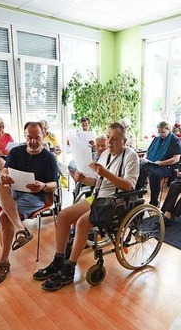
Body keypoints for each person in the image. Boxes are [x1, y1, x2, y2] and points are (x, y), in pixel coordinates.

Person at [34, 122, 139, 292]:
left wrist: (104, 173)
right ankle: (59, 259)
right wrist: (83, 179)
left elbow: (128, 185)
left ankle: (70, 268)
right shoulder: (105, 154)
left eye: (115, 139)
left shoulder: (131, 156)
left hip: (114, 201)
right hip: (97, 196)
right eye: (108, 138)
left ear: (124, 141)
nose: (110, 142)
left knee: (82, 222)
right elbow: (98, 182)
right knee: (63, 216)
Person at [0, 121, 58, 286]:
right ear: (25, 136)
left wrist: (43, 185)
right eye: (29, 137)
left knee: (5, 216)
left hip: (37, 196)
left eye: (37, 138)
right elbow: (6, 170)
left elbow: (54, 184)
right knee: (0, 185)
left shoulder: (49, 158)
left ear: (43, 136)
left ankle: (3, 262)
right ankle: (20, 229)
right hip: (15, 190)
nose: (33, 141)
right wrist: (3, 175)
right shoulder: (16, 152)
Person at [137, 120, 181, 207]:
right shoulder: (157, 139)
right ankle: (137, 196)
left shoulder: (174, 140)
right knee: (140, 169)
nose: (161, 134)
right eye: (159, 132)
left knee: (154, 174)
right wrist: (145, 158)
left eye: (163, 132)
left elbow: (176, 159)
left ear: (168, 129)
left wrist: (161, 163)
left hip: (168, 166)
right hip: (154, 163)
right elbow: (149, 151)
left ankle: (154, 202)